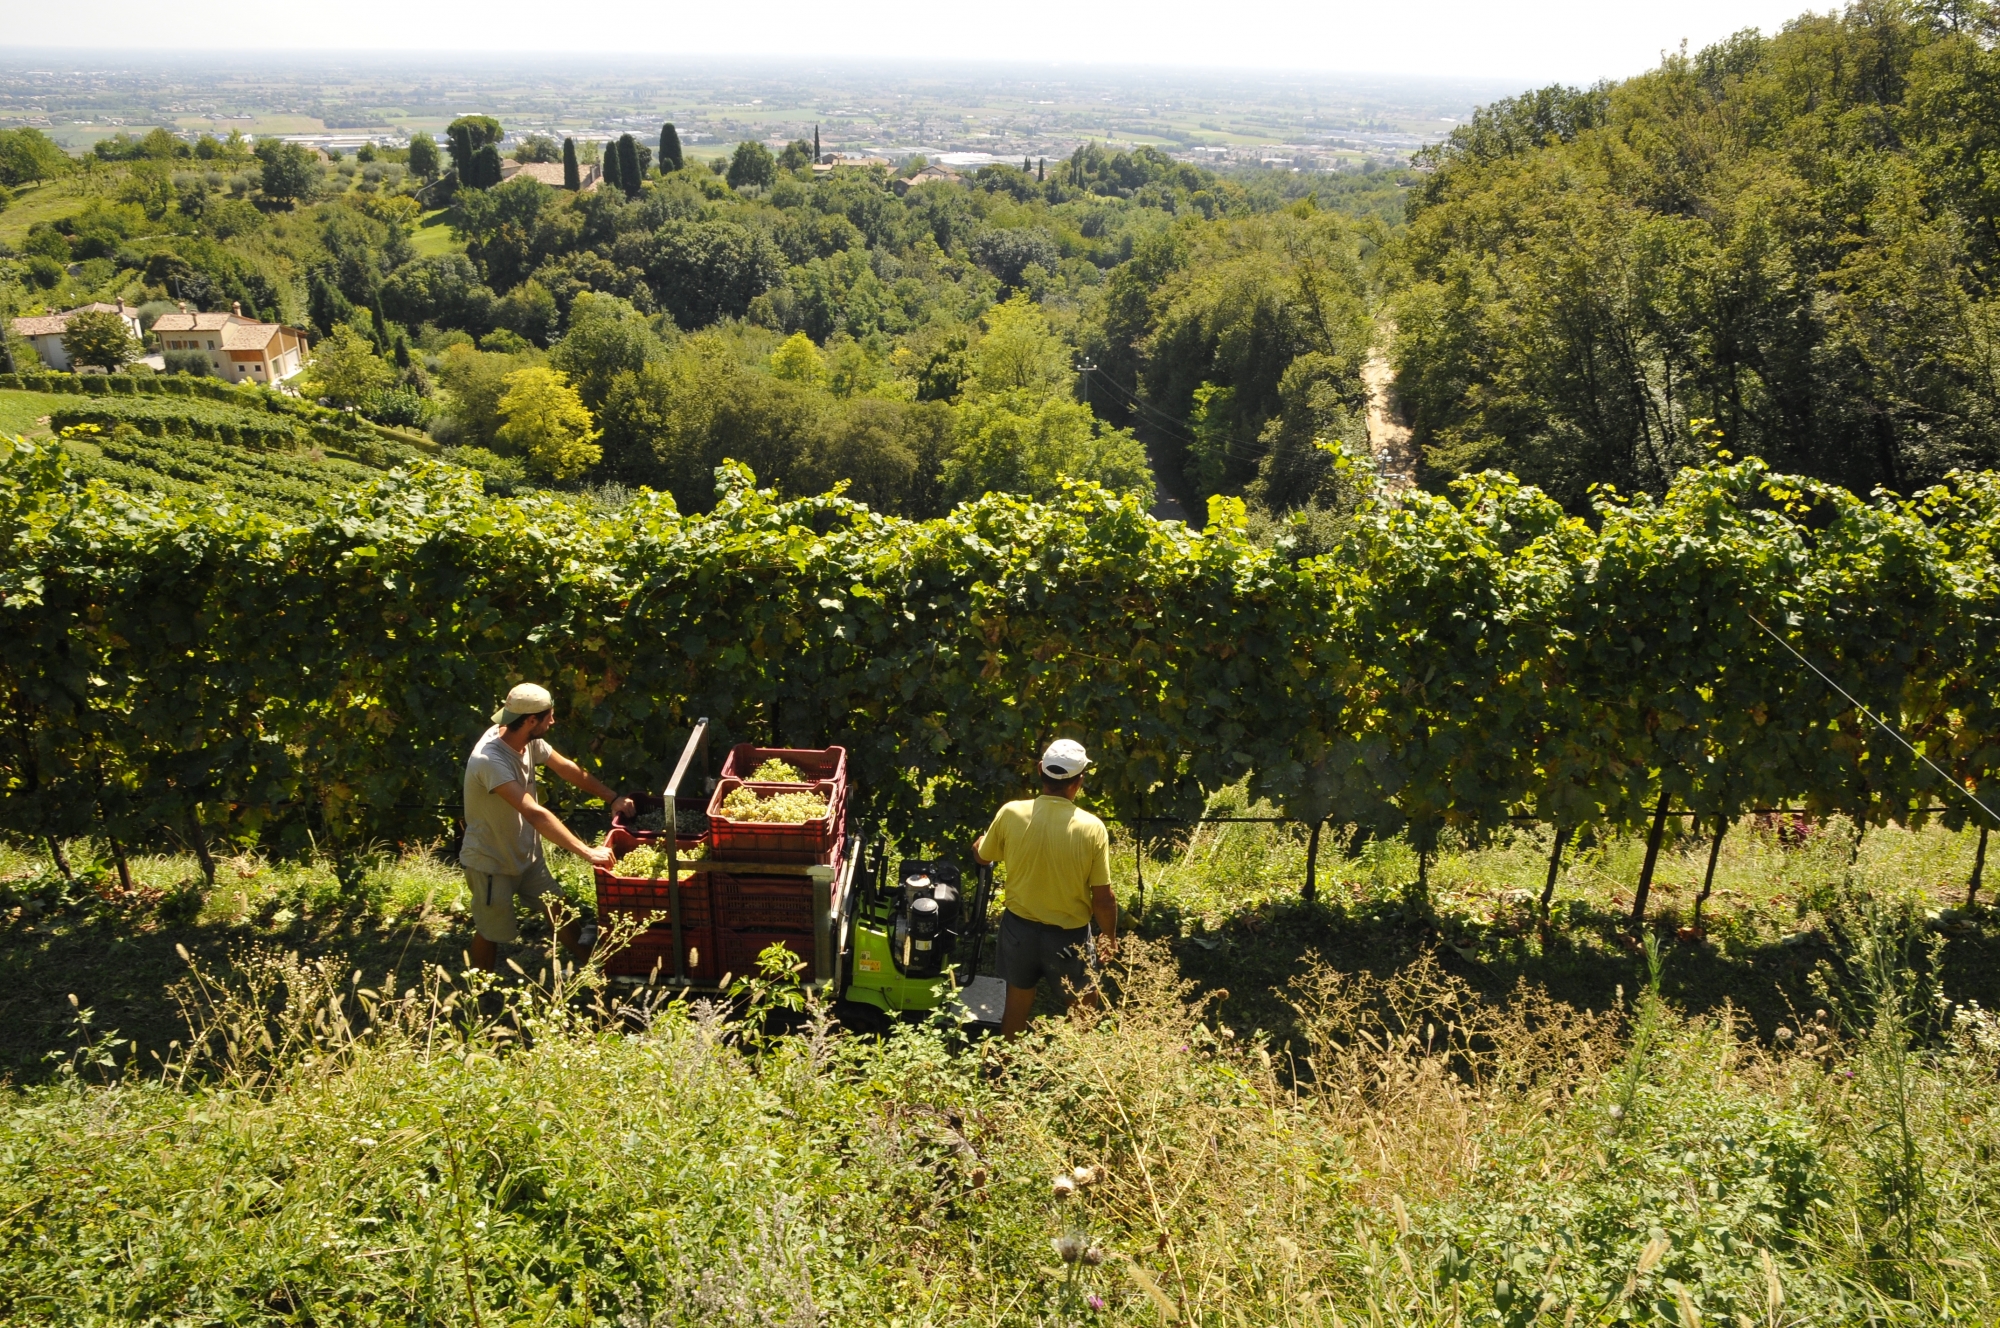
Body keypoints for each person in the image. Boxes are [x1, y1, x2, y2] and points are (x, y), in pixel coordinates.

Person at [459, 682, 631, 972]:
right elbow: (534, 813)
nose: (553, 720)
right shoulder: (490, 760)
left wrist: (612, 797)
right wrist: (587, 852)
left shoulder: (527, 740)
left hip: (526, 854)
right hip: (491, 860)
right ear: (530, 720)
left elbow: (566, 768)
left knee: (558, 908)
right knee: (491, 930)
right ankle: (479, 992)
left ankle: (593, 969)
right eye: (549, 716)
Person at [973, 738, 1117, 1037]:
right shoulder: (1091, 828)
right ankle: (1074, 1069)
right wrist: (1110, 936)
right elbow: (1103, 899)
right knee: (1084, 1006)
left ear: (1040, 770)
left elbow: (983, 855)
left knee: (1017, 1000)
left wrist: (979, 844)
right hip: (1068, 937)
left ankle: (1004, 1068)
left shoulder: (1011, 812)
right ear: (1079, 781)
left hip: (1017, 930)